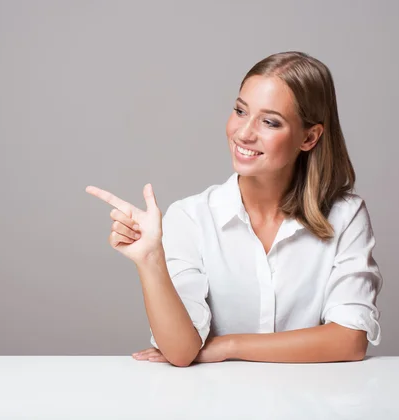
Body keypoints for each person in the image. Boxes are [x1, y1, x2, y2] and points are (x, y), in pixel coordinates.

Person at [86, 51, 383, 367]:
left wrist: (228, 345)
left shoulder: (345, 216)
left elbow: (350, 340)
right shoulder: (191, 217)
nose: (244, 133)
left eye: (270, 121)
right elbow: (181, 351)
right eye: (241, 111)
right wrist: (150, 260)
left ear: (309, 137)